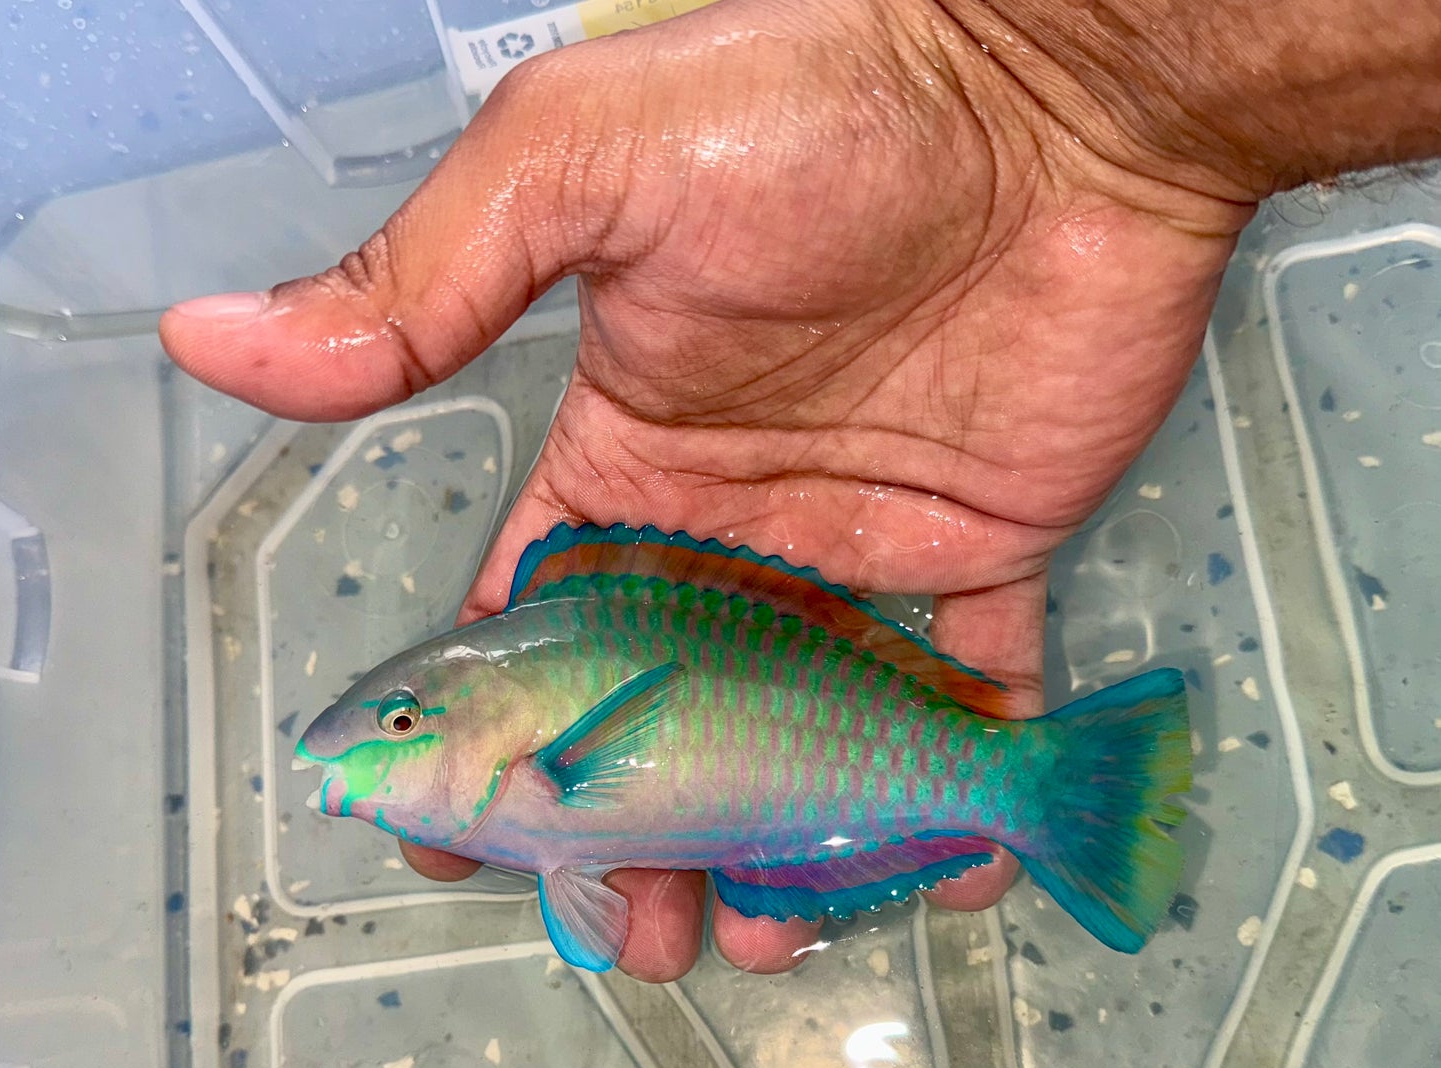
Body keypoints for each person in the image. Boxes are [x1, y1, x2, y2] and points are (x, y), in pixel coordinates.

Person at [159, 0, 1441, 982]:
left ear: (480, 706)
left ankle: (1041, 784)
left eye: (396, 724)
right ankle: (1036, 784)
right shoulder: (534, 771)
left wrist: (1042, 73)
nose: (365, 753)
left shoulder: (539, 740)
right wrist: (1061, 72)